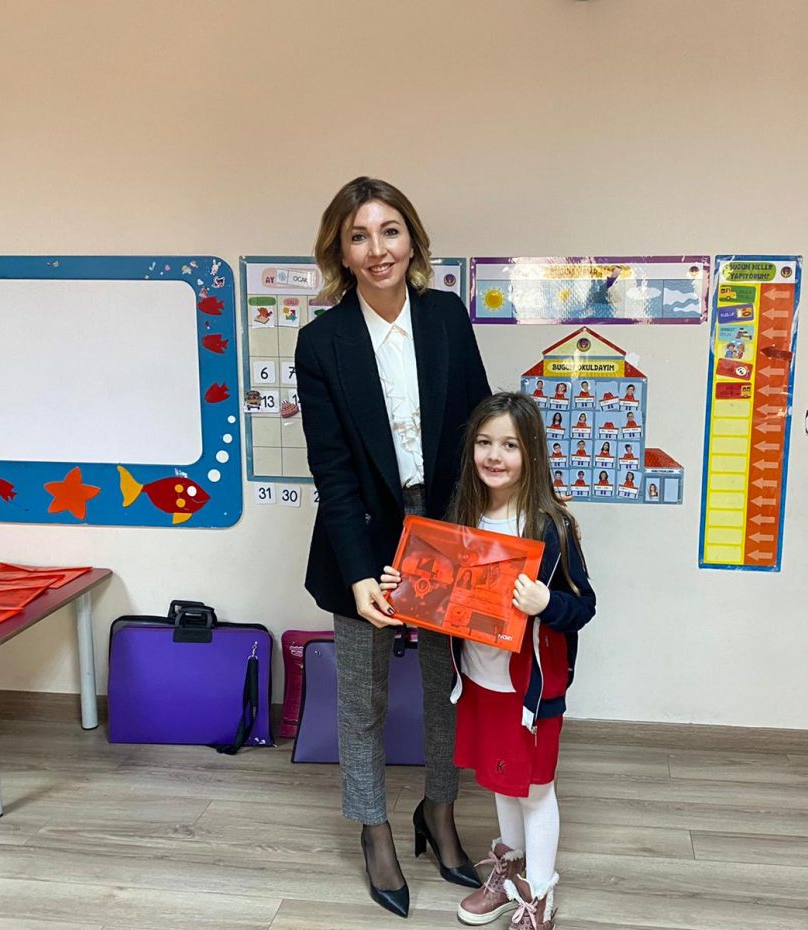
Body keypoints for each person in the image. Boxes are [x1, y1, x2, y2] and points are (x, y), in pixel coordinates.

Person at [296, 176, 489, 918]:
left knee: (448, 688)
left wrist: (489, 531)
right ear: (340, 253)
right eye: (358, 236)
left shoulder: (446, 317)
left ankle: (439, 811)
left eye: (389, 231)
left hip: (445, 529)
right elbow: (333, 470)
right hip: (363, 533)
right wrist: (356, 574)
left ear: (412, 240)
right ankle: (373, 826)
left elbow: (479, 431)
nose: (377, 249)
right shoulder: (323, 342)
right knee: (362, 696)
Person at [380, 393, 596, 930]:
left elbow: (584, 606)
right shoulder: (462, 518)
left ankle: (540, 894)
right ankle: (510, 870)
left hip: (531, 691)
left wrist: (547, 604)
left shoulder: (550, 526)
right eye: (484, 443)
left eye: (509, 445)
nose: (494, 455)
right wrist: (403, 585)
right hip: (478, 680)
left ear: (532, 453)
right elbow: (441, 595)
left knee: (535, 789)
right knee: (500, 778)